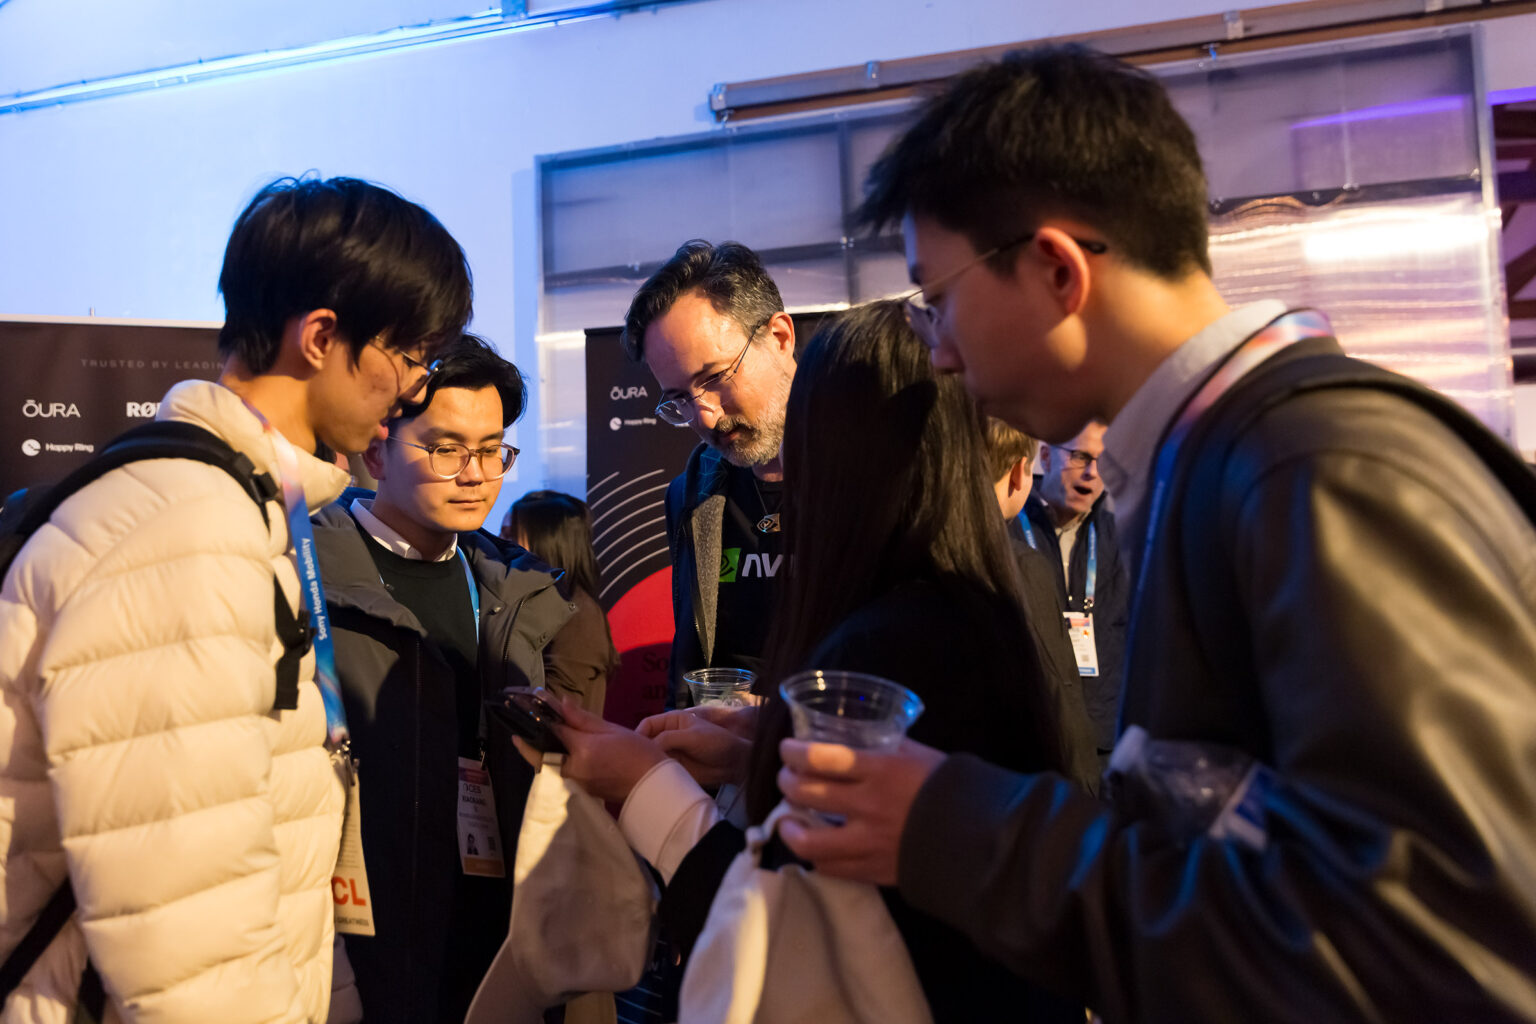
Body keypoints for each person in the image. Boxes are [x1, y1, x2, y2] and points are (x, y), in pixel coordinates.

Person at [776, 44, 1536, 1022]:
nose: (944, 354)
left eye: (941, 301)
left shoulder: (1314, 468)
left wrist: (954, 826)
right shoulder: (1232, 461)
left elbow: (1429, 943)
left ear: (1056, 270)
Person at [0, 175, 471, 1021]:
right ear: (320, 337)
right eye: (408, 356)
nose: (413, 390)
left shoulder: (242, 503)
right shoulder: (187, 527)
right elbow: (185, 934)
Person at [543, 301, 1084, 1022]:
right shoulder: (967, 610)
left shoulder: (888, 642)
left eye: (806, 433)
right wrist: (767, 746)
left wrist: (645, 786)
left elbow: (790, 937)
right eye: (679, 397)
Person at [310, 334, 580, 1023]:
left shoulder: (517, 589)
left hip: (493, 937)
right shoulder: (308, 577)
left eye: (491, 451)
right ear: (377, 452)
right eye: (446, 450)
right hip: (358, 943)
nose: (475, 475)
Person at [620, 240, 797, 706]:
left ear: (780, 338)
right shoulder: (690, 494)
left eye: (716, 377)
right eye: (679, 398)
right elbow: (692, 663)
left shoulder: (878, 476)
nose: (705, 416)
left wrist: (768, 723)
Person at [984, 418, 1099, 791]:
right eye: (1081, 457)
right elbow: (1058, 693)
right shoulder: (1022, 562)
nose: (1092, 472)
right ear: (1025, 470)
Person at [1021, 422, 1129, 764]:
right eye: (1081, 457)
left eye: (1102, 461)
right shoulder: (1009, 527)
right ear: (1045, 457)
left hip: (1100, 740)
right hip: (1032, 730)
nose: (1091, 473)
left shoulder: (1120, 536)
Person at [505, 489, 620, 716]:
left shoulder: (578, 615)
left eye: (510, 535)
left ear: (547, 542)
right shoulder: (529, 603)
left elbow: (552, 711)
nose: (498, 544)